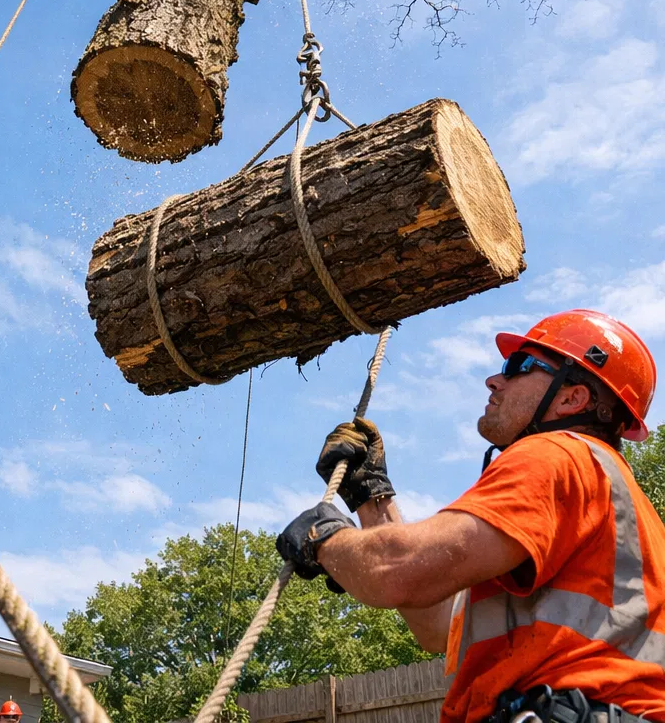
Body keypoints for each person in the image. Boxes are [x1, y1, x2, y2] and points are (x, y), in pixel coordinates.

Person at [276, 310, 665, 723]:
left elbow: (395, 571)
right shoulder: (607, 498)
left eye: (518, 367)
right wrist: (372, 495)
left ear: (572, 398)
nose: (494, 380)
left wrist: (324, 538)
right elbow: (437, 627)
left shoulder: (560, 455)